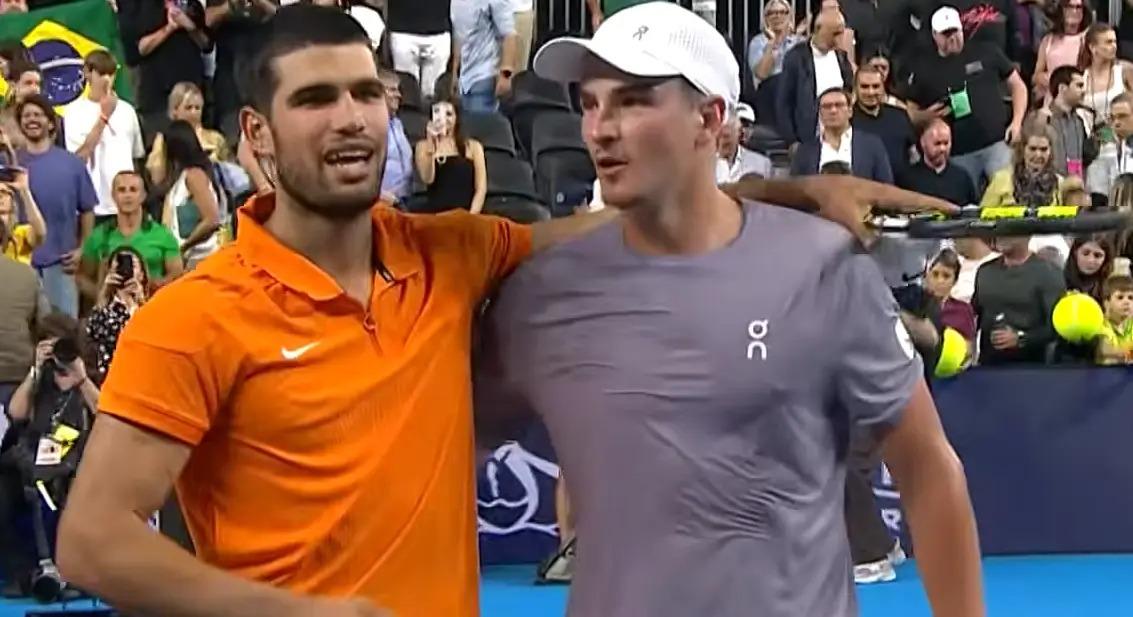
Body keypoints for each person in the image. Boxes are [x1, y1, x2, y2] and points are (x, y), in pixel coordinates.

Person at [55, 7, 957, 616]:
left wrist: (792, 187)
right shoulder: (192, 315)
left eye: (369, 93)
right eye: (315, 100)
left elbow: (629, 218)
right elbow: (92, 542)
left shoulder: (449, 250)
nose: (353, 119)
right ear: (255, 134)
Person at [480, 4, 983, 617]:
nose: (600, 129)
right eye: (589, 103)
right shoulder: (542, 296)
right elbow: (450, 450)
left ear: (710, 118)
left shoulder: (823, 267)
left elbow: (927, 467)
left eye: (633, 102)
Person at [19, 95, 99, 318]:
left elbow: (88, 209)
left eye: (38, 115)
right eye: (26, 116)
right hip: (20, 265)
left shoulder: (72, 164)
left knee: (64, 335)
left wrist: (82, 248)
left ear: (51, 123)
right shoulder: (11, 164)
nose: (32, 120)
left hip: (61, 265)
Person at [63, 50, 146, 224]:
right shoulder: (73, 111)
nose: (107, 80)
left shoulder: (127, 110)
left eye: (111, 74)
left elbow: (137, 157)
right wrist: (104, 117)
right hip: (93, 207)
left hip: (125, 205)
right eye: (101, 74)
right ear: (87, 73)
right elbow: (78, 159)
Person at [78, 170, 183, 300]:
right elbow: (82, 278)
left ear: (143, 195)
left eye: (133, 190)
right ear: (113, 195)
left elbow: (177, 276)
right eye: (122, 190)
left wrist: (150, 285)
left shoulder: (162, 236)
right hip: (112, 313)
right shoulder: (98, 236)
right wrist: (103, 295)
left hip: (151, 308)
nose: (127, 195)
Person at [154, 120, 222, 267]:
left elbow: (211, 219)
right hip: (187, 261)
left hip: (202, 259)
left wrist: (184, 247)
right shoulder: (179, 179)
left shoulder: (194, 176)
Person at [85, 246, 149, 380]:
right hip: (111, 375)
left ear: (142, 274)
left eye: (133, 265)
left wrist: (141, 303)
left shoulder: (151, 308)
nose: (125, 269)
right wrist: (104, 294)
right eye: (118, 265)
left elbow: (155, 333)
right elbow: (92, 332)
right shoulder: (104, 309)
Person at [146, 82, 230, 184]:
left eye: (197, 108)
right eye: (188, 108)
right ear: (175, 110)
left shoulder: (215, 138)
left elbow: (228, 172)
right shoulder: (163, 139)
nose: (193, 113)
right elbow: (156, 177)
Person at [414, 98, 486, 213]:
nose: (444, 119)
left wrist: (470, 217)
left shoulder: (473, 146)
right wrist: (431, 144)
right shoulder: (422, 146)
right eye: (437, 113)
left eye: (449, 114)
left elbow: (481, 189)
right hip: (436, 215)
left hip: (466, 214)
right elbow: (427, 178)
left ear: (456, 118)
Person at [0, 166, 45, 264]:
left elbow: (40, 234)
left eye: (3, 192)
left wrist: (25, 191)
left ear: (12, 200)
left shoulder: (20, 234)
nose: (0, 197)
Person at [1095, 274, 1133, 364]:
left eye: (1131, 298)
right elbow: (1106, 350)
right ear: (1107, 303)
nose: (1127, 302)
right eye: (1120, 297)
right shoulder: (1101, 325)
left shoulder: (1131, 324)